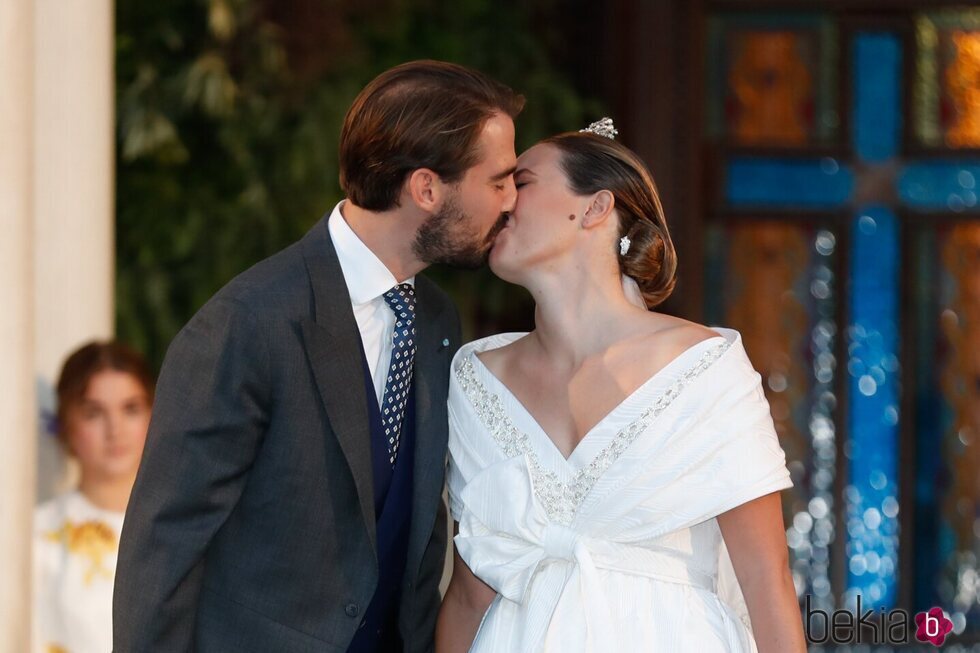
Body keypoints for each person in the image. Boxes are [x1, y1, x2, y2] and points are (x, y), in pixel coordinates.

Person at [112, 60, 523, 653]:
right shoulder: (248, 322)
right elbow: (165, 541)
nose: (512, 200)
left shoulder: (435, 319)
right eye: (499, 181)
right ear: (427, 188)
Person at [436, 120, 807, 652]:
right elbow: (470, 593)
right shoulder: (475, 380)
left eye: (523, 181)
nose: (503, 200)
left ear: (594, 208)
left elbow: (765, 583)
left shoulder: (705, 367)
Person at [34, 341, 154, 653]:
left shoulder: (192, 528)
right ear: (66, 425)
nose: (115, 429)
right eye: (93, 413)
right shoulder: (37, 538)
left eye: (130, 409)